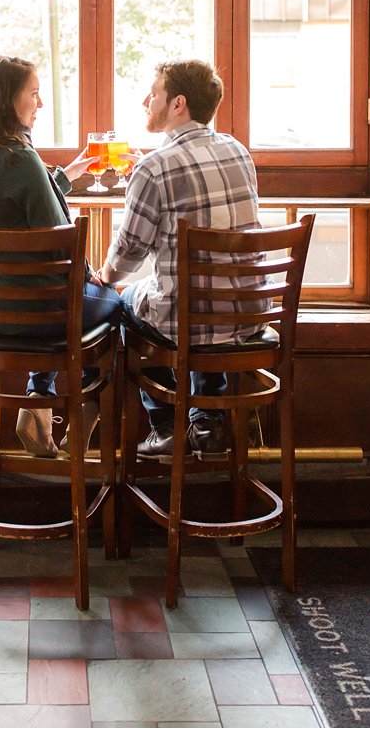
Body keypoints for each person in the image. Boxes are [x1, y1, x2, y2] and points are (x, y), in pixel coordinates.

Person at [0, 55, 123, 457]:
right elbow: (61, 242)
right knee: (117, 306)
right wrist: (95, 278)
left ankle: (37, 404)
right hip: (42, 319)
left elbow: (13, 204)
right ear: (8, 100)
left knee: (58, 297)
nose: (40, 104)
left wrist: (63, 177)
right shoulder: (22, 157)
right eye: (34, 93)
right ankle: (81, 407)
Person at [96, 58, 260, 458]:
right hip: (250, 315)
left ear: (177, 104)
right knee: (201, 302)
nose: (144, 101)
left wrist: (104, 275)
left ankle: (168, 425)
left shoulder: (154, 169)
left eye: (153, 93)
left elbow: (129, 254)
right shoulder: (238, 151)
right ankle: (207, 421)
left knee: (122, 303)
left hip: (191, 323)